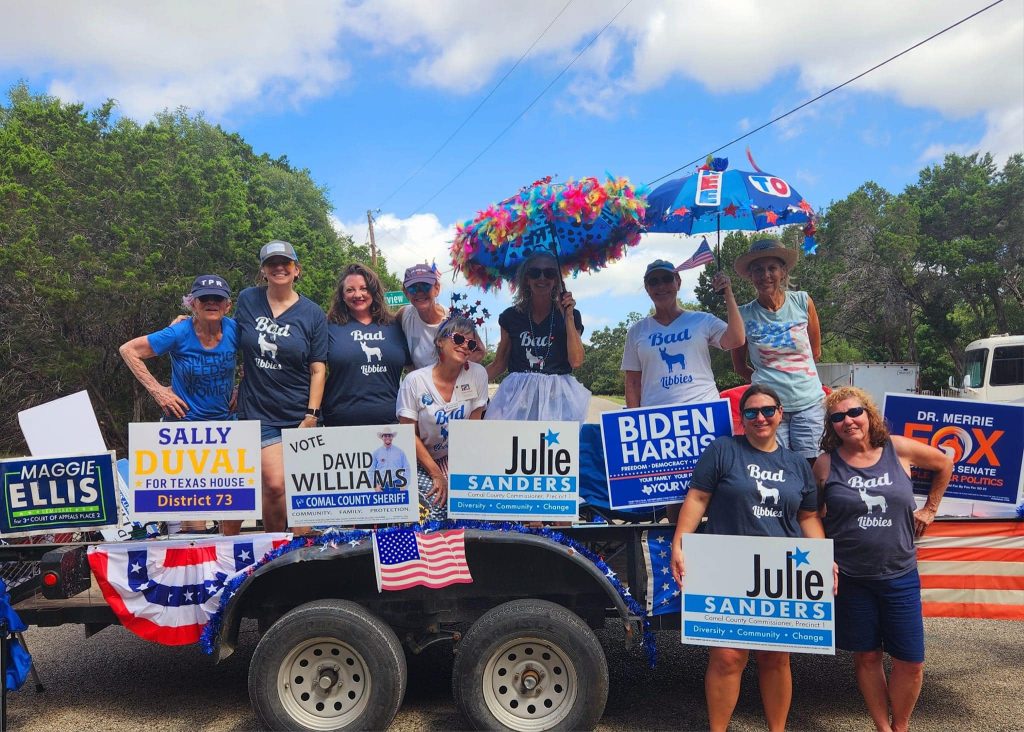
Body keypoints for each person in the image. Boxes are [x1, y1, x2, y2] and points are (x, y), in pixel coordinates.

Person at [669, 384, 826, 732]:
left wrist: (821, 559)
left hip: (780, 570)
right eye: (751, 412)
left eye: (768, 410)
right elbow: (697, 498)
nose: (760, 418)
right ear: (742, 418)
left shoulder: (797, 464)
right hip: (726, 564)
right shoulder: (723, 450)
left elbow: (808, 517)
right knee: (727, 657)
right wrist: (680, 543)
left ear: (780, 414)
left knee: (775, 657)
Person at [814, 386, 952, 732]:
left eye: (854, 412)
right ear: (831, 426)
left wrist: (931, 509)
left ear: (868, 414)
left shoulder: (898, 448)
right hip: (851, 578)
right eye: (838, 417)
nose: (848, 421)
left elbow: (944, 463)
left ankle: (901, 725)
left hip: (900, 574)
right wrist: (820, 554)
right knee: (867, 656)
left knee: (911, 661)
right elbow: (812, 514)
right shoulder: (826, 464)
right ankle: (882, 726)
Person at [119, 274, 237, 534]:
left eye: (217, 299)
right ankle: (197, 569)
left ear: (227, 305)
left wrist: (243, 386)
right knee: (194, 515)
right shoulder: (179, 332)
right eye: (204, 298)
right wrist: (158, 391)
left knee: (232, 506)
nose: (211, 303)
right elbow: (129, 350)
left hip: (226, 428)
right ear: (192, 303)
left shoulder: (235, 329)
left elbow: (259, 354)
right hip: (185, 429)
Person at [227, 240, 327, 534]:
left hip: (298, 411)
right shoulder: (248, 299)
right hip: (258, 410)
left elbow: (318, 368)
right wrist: (189, 324)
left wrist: (311, 415)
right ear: (263, 271)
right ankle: (274, 546)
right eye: (272, 264)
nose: (279, 268)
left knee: (300, 490)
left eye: (286, 263)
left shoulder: (312, 313)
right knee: (273, 484)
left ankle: (298, 552)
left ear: (297, 270)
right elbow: (228, 339)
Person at [731, 238, 824, 462]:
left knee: (812, 467)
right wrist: (764, 385)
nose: (765, 275)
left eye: (772, 268)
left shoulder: (803, 302)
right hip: (768, 408)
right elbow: (739, 366)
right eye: (758, 270)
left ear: (783, 271)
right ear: (750, 276)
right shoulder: (743, 315)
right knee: (775, 467)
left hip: (809, 403)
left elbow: (815, 351)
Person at [397, 316, 488, 520]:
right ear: (439, 341)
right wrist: (436, 474)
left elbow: (473, 428)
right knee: (435, 503)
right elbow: (407, 434)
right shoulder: (414, 381)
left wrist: (460, 475)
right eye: (458, 339)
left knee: (469, 505)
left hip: (457, 456)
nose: (465, 346)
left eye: (471, 343)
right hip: (421, 457)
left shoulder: (478, 374)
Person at [622, 259, 745, 408]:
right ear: (647, 289)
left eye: (667, 279)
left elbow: (736, 340)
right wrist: (635, 419)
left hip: (705, 409)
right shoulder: (637, 331)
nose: (661, 286)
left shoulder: (702, 320)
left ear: (678, 282)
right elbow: (633, 383)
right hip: (656, 416)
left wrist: (728, 294)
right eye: (653, 282)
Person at [485, 252, 589, 421]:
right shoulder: (511, 316)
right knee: (509, 445)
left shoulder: (570, 315)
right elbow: (499, 363)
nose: (542, 278)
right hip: (517, 397)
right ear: (526, 279)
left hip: (556, 398)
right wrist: (466, 380)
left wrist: (568, 316)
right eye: (535, 273)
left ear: (556, 279)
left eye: (549, 273)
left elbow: (576, 361)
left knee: (553, 447)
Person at [322, 263, 409, 427]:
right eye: (350, 290)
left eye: (364, 288)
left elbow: (413, 369)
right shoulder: (328, 326)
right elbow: (315, 370)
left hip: (392, 423)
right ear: (341, 295)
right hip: (340, 423)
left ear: (374, 291)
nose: (358, 294)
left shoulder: (395, 325)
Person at [398, 263, 448, 369]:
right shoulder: (403, 315)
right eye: (412, 288)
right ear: (406, 293)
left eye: (425, 286)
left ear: (437, 289)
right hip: (419, 384)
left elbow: (479, 351)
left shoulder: (452, 319)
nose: (419, 292)